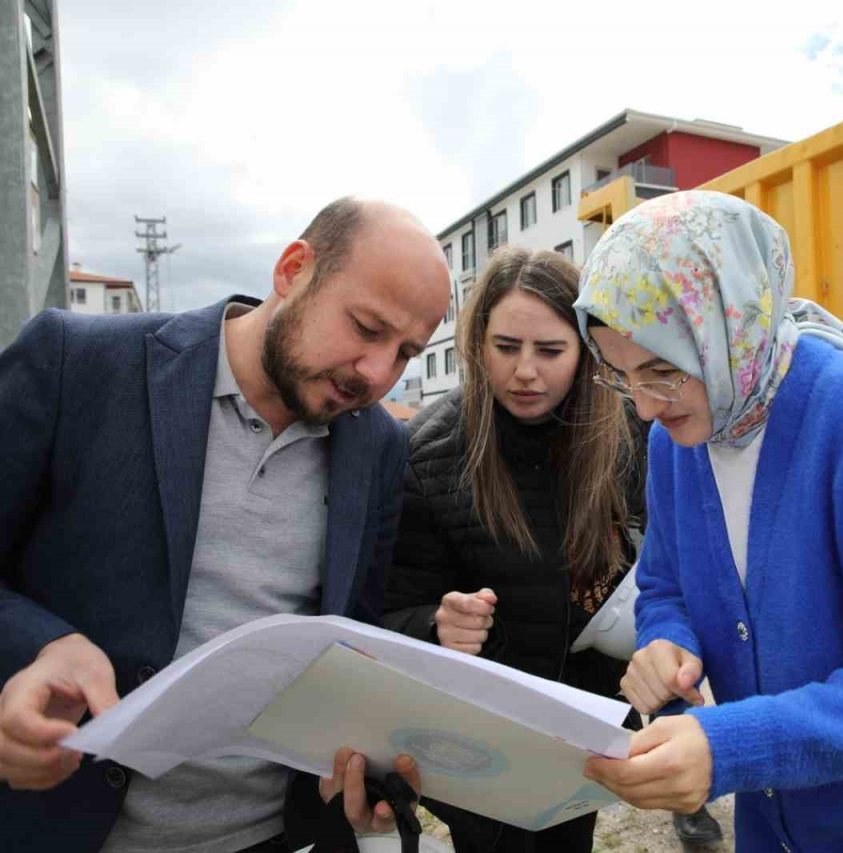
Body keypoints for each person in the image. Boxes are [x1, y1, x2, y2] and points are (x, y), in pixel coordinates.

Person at [0, 197, 451, 853]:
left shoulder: (378, 446)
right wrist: (42, 645)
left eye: (406, 352)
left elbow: (348, 638)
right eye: (365, 328)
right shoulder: (78, 362)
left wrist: (362, 775)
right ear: (294, 269)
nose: (377, 374)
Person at [577, 191, 843, 852]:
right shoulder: (677, 442)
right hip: (778, 827)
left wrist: (729, 747)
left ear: (728, 325)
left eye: (663, 370)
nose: (642, 407)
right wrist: (666, 647)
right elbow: (663, 584)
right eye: (623, 374)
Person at [380, 246, 647, 853]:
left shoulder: (628, 429)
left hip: (585, 723)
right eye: (506, 348)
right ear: (478, 345)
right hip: (479, 735)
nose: (526, 371)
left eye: (550, 351)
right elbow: (390, 609)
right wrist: (435, 623)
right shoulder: (428, 451)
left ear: (585, 349)